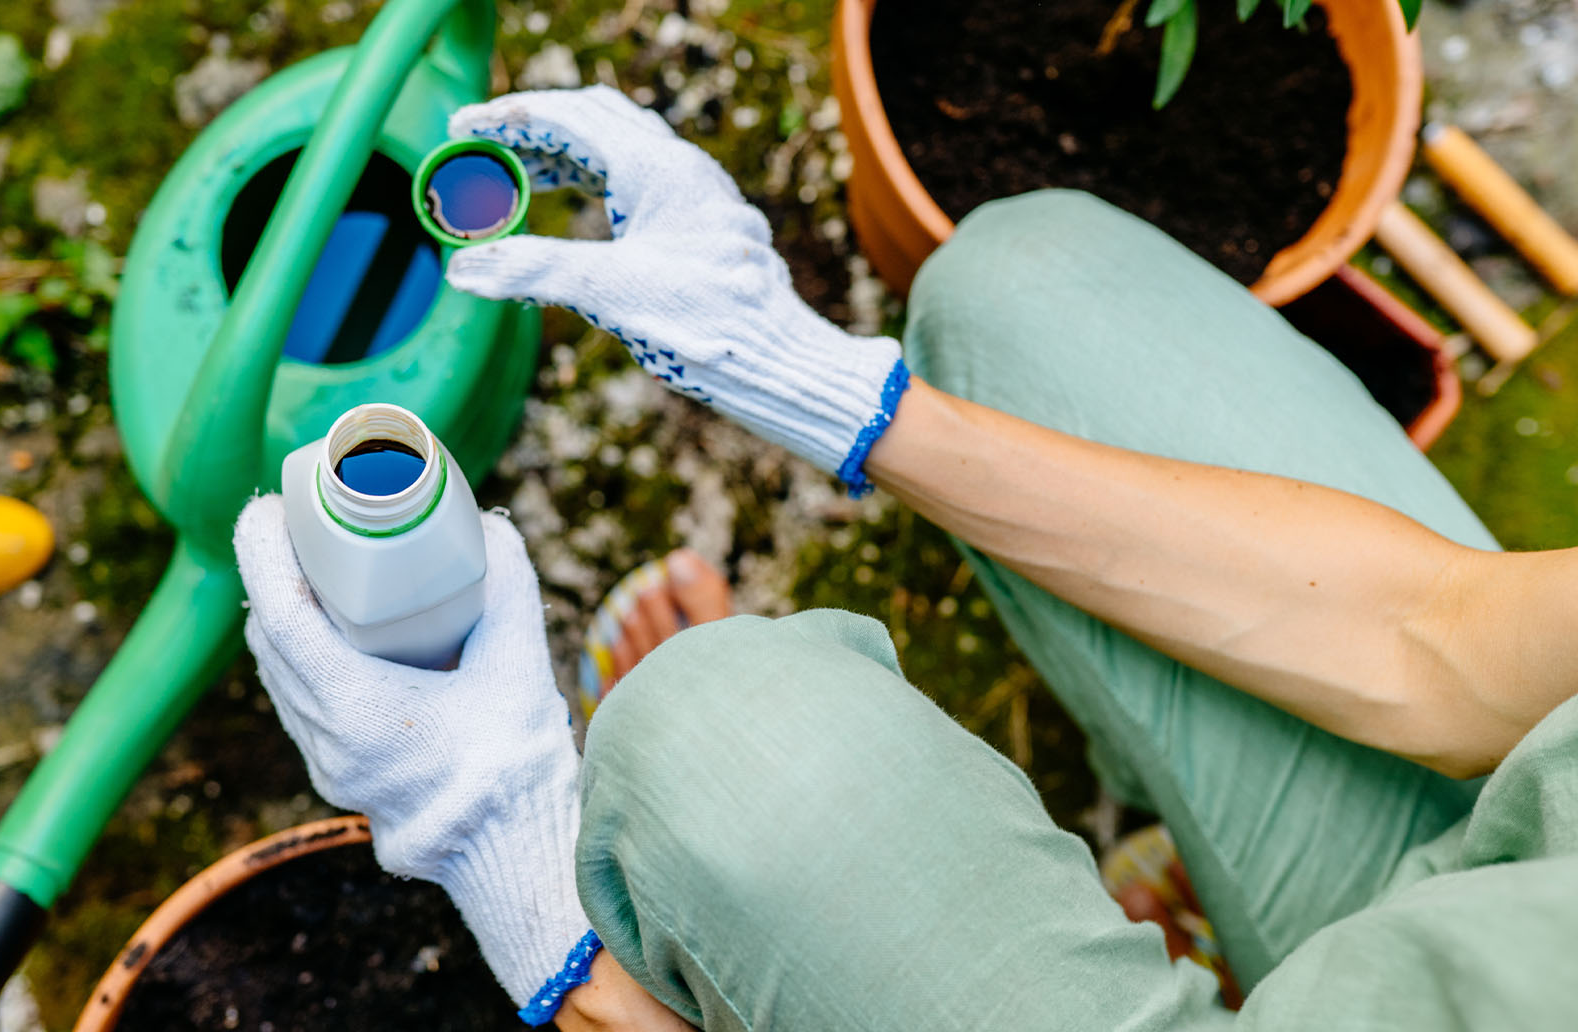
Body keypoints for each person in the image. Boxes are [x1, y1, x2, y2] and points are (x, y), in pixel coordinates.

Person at [232, 87, 1578, 1030]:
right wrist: (809, 376)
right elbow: (1441, 643)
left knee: (721, 750)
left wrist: (514, 878)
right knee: (1032, 291)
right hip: (1509, 876)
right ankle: (1193, 874)